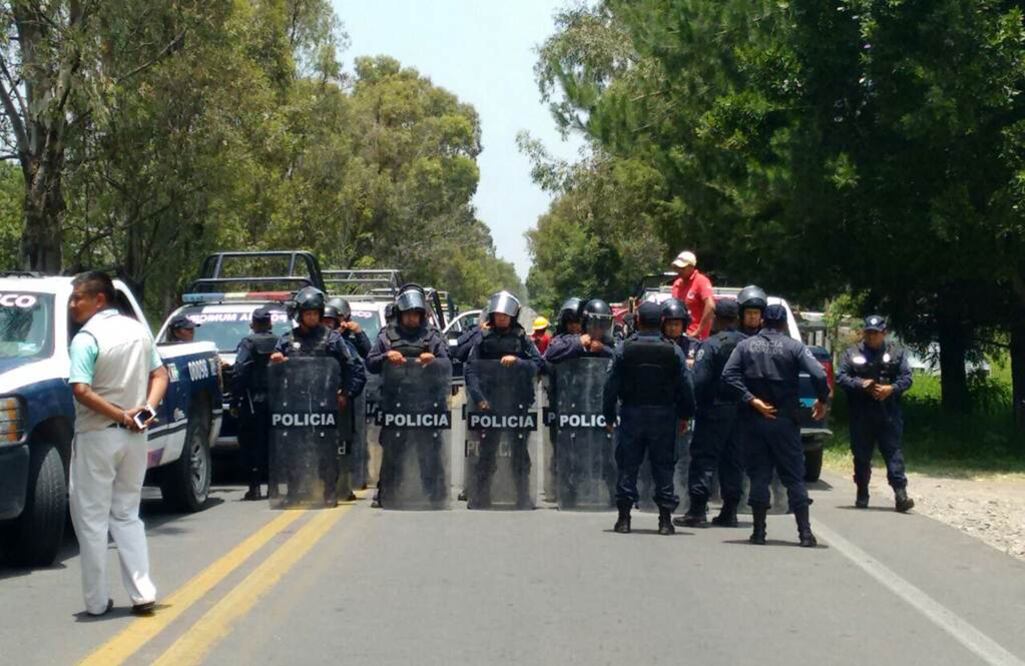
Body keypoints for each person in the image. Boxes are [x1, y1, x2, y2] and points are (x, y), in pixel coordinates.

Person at [68, 271, 168, 616]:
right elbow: (161, 374)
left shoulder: (87, 337)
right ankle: (143, 593)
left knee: (92, 519)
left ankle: (96, 602)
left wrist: (122, 414)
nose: (72, 304)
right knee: (126, 514)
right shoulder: (137, 330)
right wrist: (146, 411)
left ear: (99, 299)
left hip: (98, 436)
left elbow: (80, 389)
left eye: (77, 297)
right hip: (134, 437)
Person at [721, 304, 830, 547]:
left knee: (759, 476)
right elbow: (820, 375)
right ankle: (805, 534)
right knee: (794, 477)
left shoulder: (744, 346)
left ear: (762, 321)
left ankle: (758, 533)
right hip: (784, 421)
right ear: (782, 324)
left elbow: (728, 375)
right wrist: (821, 400)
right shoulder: (795, 347)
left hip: (754, 420)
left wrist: (751, 400)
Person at [603, 301, 695, 535]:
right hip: (664, 415)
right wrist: (685, 414)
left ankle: (624, 520)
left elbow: (610, 384)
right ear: (661, 322)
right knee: (663, 467)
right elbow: (686, 385)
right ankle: (665, 521)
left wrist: (609, 415)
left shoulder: (625, 348)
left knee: (628, 466)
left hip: (632, 413)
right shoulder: (672, 349)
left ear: (639, 321)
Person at [270, 286, 366, 506]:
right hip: (295, 405)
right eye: (307, 313)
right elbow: (274, 370)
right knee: (294, 450)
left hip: (325, 405)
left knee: (326, 451)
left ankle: (328, 491)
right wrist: (275, 362)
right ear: (299, 315)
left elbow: (354, 367)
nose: (312, 317)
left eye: (315, 313)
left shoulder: (332, 340)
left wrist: (346, 393)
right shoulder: (286, 340)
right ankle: (294, 492)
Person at [365, 286, 449, 507]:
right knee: (393, 452)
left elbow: (449, 363)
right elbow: (370, 363)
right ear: (401, 313)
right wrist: (385, 356)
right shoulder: (386, 336)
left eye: (417, 314)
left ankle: (434, 495)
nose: (413, 318)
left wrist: (434, 360)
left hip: (425, 405)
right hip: (395, 404)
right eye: (409, 314)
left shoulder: (431, 337)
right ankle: (386, 494)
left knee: (428, 453)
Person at [465, 291, 544, 508]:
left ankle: (522, 497)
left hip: (517, 403)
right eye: (498, 314)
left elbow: (538, 364)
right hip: (490, 404)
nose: (501, 318)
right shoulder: (482, 338)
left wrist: (518, 361)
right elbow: (470, 370)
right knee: (487, 454)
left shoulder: (521, 338)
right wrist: (478, 398)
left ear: (512, 315)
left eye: (505, 314)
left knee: (520, 454)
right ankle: (481, 497)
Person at [676, 299, 747, 528]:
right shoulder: (748, 344)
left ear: (716, 318)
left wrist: (687, 407)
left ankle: (697, 511)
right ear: (736, 318)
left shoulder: (711, 345)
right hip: (741, 410)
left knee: (704, 458)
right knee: (732, 460)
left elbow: (699, 380)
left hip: (714, 409)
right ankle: (730, 510)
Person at [836, 315, 915, 512]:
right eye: (868, 333)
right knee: (861, 456)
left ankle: (900, 494)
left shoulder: (895, 353)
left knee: (893, 453)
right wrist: (861, 384)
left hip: (888, 413)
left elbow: (907, 378)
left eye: (876, 333)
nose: (871, 337)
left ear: (884, 333)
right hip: (861, 413)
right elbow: (841, 377)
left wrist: (891, 389)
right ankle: (862, 492)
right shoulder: (852, 353)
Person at [231, 306, 278, 501]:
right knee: (274, 442)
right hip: (278, 399)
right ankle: (273, 487)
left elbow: (240, 370)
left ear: (253, 324)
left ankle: (255, 487)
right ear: (270, 324)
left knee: (251, 443)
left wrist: (235, 398)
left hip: (253, 400)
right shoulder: (279, 341)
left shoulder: (248, 343)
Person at [544, 299, 614, 363]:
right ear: (586, 324)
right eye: (595, 325)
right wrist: (578, 343)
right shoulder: (569, 339)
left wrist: (603, 349)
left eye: (602, 326)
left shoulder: (607, 342)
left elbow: (618, 357)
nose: (598, 330)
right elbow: (550, 354)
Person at [670, 250, 715, 340]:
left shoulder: (701, 281)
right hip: (679, 336)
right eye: (677, 268)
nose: (679, 270)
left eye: (682, 268)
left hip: (696, 338)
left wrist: (698, 331)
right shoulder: (677, 284)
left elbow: (710, 306)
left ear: (691, 267)